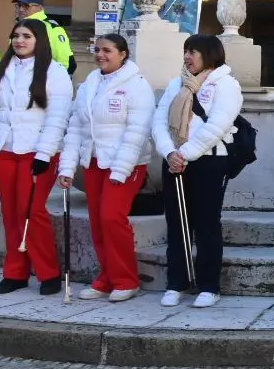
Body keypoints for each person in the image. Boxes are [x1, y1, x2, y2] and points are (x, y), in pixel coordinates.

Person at [0, 19, 73, 295]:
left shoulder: (55, 72)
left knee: (32, 211)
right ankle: (15, 272)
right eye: (16, 35)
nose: (20, 40)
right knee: (11, 212)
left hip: (36, 152)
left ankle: (48, 272)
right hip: (1, 149)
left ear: (39, 40)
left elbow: (57, 117)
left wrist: (45, 153)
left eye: (27, 36)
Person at [58, 33, 153, 301]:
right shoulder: (90, 83)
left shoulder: (137, 85)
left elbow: (137, 131)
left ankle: (126, 279)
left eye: (107, 50)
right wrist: (66, 168)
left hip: (126, 165)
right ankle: (107, 277)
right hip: (94, 162)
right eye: (97, 49)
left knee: (112, 218)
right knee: (98, 223)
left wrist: (120, 170)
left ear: (123, 54)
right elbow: (76, 127)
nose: (100, 54)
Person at [151, 34, 243, 309]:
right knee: (177, 224)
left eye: (194, 52)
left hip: (208, 162)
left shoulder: (226, 84)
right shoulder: (176, 84)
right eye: (186, 51)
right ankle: (176, 282)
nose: (188, 57)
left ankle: (209, 285)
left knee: (206, 225)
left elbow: (217, 125)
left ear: (210, 54)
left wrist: (185, 154)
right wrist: (169, 153)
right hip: (174, 162)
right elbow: (159, 120)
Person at [10, 0, 74, 74]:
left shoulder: (51, 28)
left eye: (26, 6)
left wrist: (56, 78)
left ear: (40, 8)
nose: (21, 9)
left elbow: (64, 59)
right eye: (19, 5)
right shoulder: (19, 27)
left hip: (43, 77)